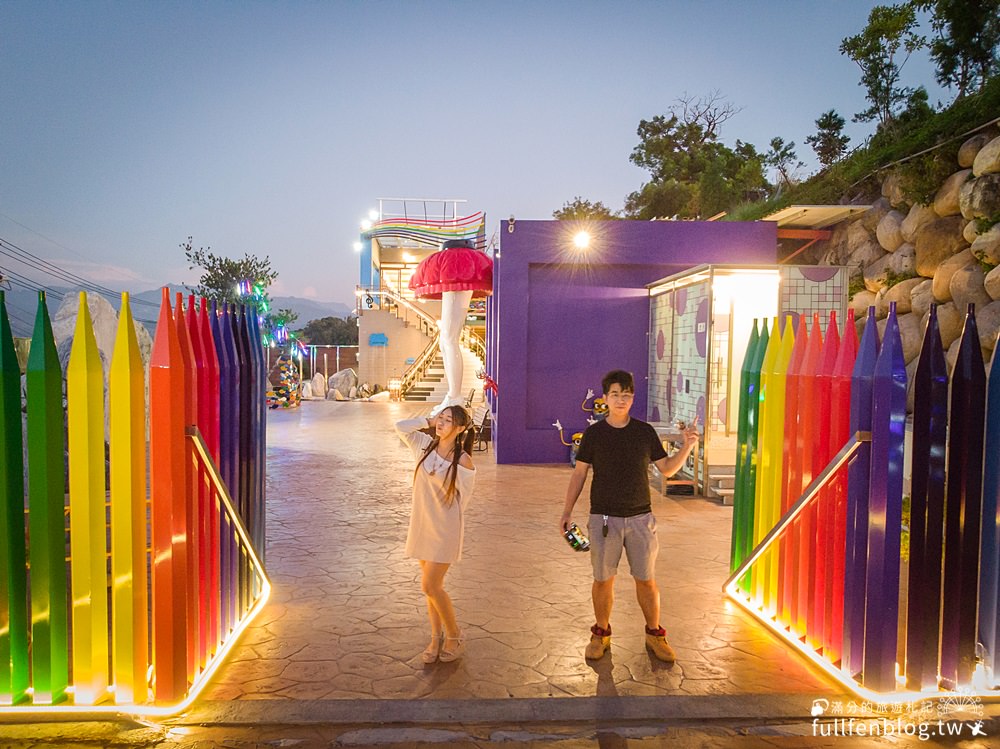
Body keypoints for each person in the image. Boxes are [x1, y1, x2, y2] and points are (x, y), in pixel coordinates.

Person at [559, 369, 699, 662]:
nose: (620, 400)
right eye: (615, 395)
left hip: (640, 519)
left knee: (646, 579)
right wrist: (567, 511)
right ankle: (601, 634)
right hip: (604, 519)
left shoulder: (643, 432)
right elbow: (580, 474)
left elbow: (667, 469)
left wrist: (687, 446)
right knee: (603, 579)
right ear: (605, 398)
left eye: (626, 395)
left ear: (632, 398)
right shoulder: (595, 434)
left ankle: (654, 635)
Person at [396, 405, 476, 663]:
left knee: (430, 585)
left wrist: (446, 521)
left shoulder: (463, 461)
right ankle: (435, 636)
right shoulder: (423, 445)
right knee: (433, 589)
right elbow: (399, 427)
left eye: (447, 420)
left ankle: (454, 634)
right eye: (439, 418)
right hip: (422, 524)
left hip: (445, 529)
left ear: (460, 428)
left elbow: (463, 501)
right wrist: (427, 421)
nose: (441, 423)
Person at [409, 238, 493, 412]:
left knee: (449, 339)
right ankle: (453, 395)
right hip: (458, 272)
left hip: (458, 273)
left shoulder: (459, 261)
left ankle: (454, 396)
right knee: (445, 340)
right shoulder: (461, 261)